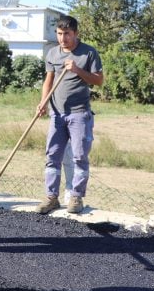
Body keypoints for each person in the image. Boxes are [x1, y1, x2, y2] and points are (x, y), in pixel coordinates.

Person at [35, 15, 103, 215]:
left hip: (79, 114)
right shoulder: (53, 53)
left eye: (66, 34)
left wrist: (77, 69)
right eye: (59, 34)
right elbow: (49, 80)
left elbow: (98, 81)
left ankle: (76, 197)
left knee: (80, 157)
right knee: (52, 156)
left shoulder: (88, 53)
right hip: (57, 114)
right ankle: (51, 197)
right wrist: (43, 101)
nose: (62, 38)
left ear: (75, 33)